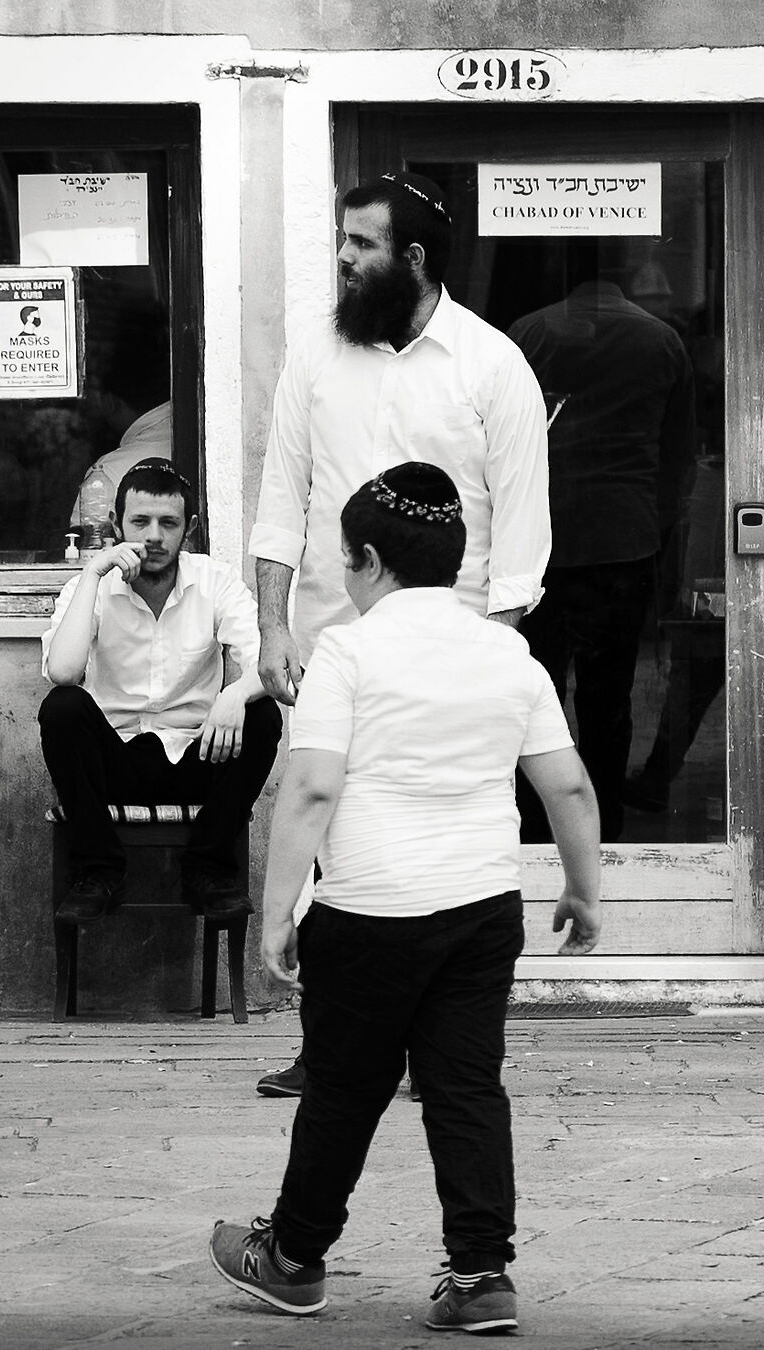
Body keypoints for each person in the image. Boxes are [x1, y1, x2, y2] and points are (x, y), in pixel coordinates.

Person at [208, 463, 602, 1332]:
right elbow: (567, 788)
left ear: (372, 561)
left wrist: (277, 914)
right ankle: (480, 1275)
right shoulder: (507, 652)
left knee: (345, 1089)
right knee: (467, 1087)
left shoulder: (348, 651)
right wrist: (582, 889)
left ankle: (295, 1257)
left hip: (370, 912)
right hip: (482, 907)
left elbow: (310, 791)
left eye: (347, 561)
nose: (345, 577)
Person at [248, 172, 551, 1099]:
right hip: (330, 646)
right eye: (341, 241)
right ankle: (329, 1043)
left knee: (444, 834)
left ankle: (440, 1050)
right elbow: (280, 502)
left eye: (361, 245)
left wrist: (484, 655)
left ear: (412, 260)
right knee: (328, 829)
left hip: (449, 653)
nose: (342, 260)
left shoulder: (493, 365)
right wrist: (269, 625)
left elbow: (523, 542)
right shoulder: (315, 357)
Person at [507, 258, 695, 843]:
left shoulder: (529, 334)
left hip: (542, 545)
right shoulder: (662, 339)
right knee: (609, 700)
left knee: (534, 696)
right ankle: (605, 829)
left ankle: (538, 834)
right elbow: (679, 458)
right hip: (623, 541)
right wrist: (652, 529)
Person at [39, 459, 278, 920]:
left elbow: (270, 668)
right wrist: (92, 574)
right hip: (115, 760)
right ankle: (98, 869)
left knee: (262, 714)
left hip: (197, 756)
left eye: (168, 523)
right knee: (62, 707)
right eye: (140, 521)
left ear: (188, 528)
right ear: (115, 524)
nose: (153, 536)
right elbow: (64, 672)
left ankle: (207, 869)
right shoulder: (88, 587)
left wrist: (233, 696)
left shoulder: (215, 581)